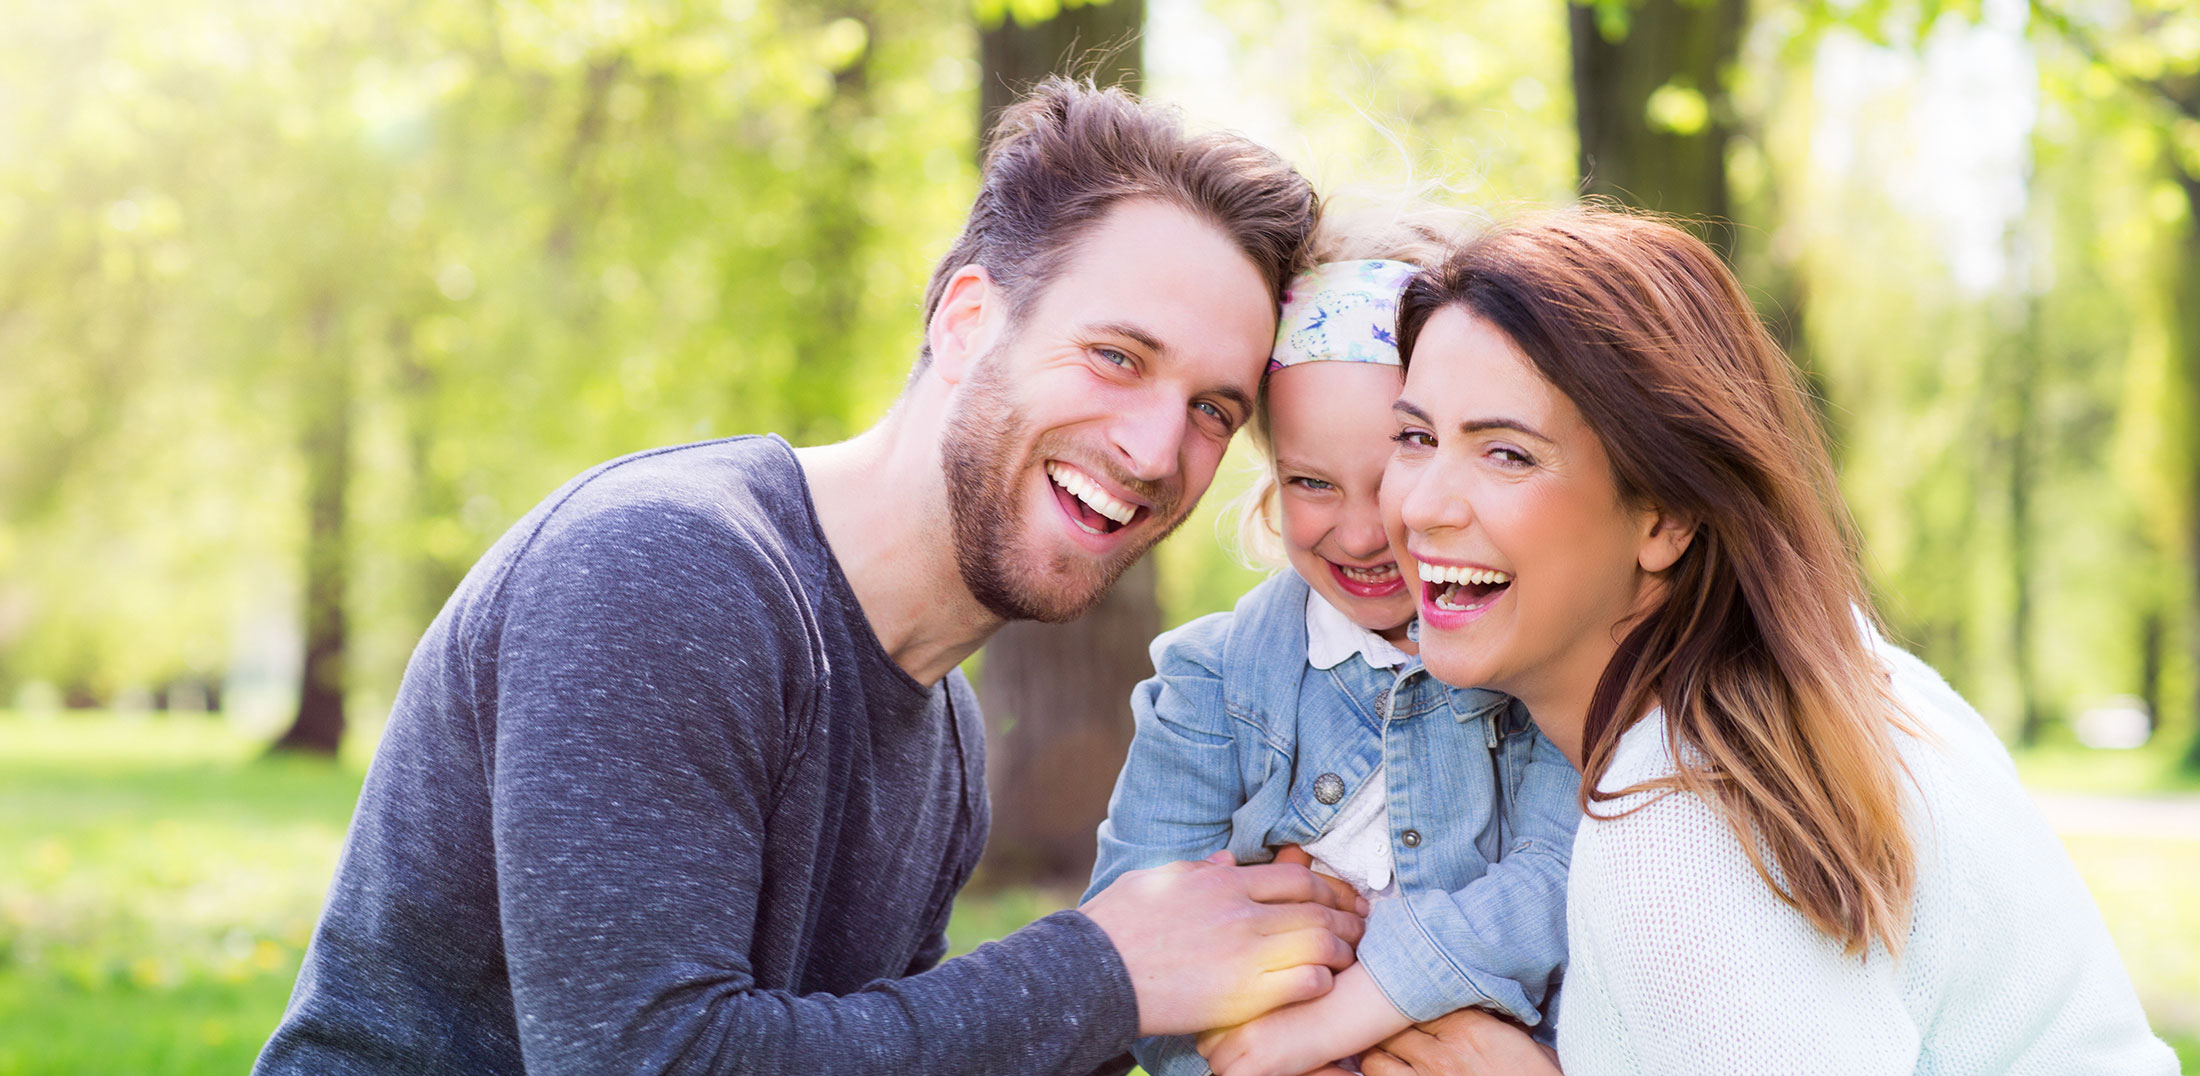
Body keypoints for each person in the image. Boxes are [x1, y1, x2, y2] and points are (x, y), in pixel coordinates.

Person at [252, 79, 1373, 1076]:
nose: (1151, 448)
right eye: (1117, 357)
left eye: (1213, 410)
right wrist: (1110, 970)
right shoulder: (666, 572)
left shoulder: (946, 741)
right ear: (969, 322)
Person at [1349, 207, 2176, 1074]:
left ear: (1666, 515)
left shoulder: (1680, 819)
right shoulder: (1849, 678)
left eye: (1507, 454)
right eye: (1415, 437)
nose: (1422, 505)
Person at [1086, 209, 1581, 1076]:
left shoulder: (1537, 659)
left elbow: (1558, 883)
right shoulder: (1212, 684)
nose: (1359, 535)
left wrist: (1354, 1002)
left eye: (1394, 468)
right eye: (1311, 482)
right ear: (1270, 483)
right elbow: (1135, 961)